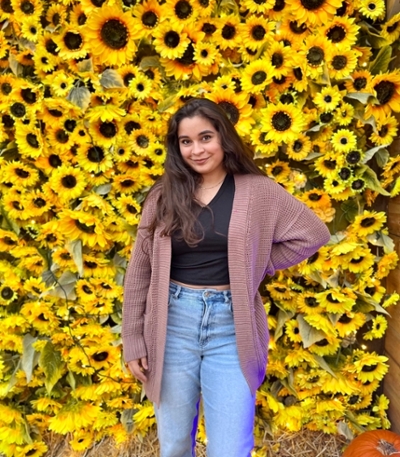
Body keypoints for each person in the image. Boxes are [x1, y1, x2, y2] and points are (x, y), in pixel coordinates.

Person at [122, 97, 330, 457]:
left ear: (223, 137)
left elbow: (313, 233)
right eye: (186, 141)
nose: (196, 149)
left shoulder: (258, 191)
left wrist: (257, 264)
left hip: (231, 328)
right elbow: (140, 270)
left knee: (231, 449)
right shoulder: (163, 196)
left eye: (205, 137)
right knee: (173, 445)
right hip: (171, 325)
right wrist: (133, 340)